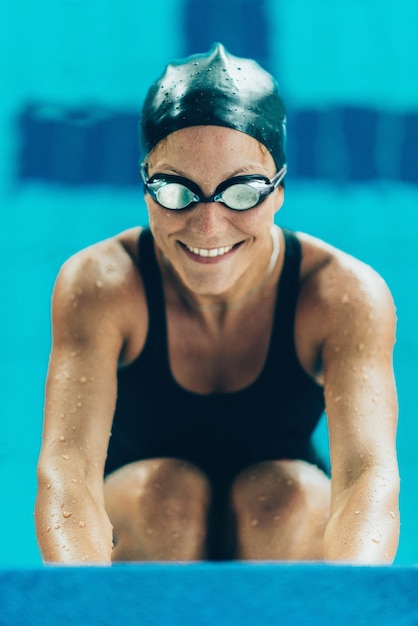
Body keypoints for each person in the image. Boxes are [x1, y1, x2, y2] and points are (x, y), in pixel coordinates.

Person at [35, 43, 399, 565]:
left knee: (285, 494)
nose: (208, 226)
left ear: (278, 191)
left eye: (243, 191)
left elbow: (368, 476)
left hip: (284, 538)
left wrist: (353, 601)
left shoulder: (340, 294)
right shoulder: (104, 283)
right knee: (167, 496)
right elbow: (65, 470)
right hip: (145, 533)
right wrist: (80, 603)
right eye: (177, 191)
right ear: (144, 188)